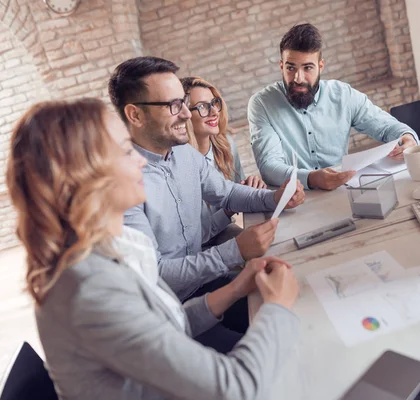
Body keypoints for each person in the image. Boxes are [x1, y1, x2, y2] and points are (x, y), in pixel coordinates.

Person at [6, 98, 300, 400]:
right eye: (123, 150)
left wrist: (236, 288)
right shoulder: (90, 290)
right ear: (82, 176)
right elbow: (235, 388)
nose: (141, 161)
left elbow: (169, 325)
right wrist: (277, 306)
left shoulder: (112, 248)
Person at [108, 57, 305, 342]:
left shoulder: (183, 153)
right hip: (169, 316)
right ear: (135, 115)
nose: (187, 115)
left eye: (183, 102)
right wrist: (235, 251)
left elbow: (227, 192)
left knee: (294, 305)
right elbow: (158, 273)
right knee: (270, 344)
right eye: (173, 105)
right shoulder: (123, 186)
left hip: (206, 285)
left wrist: (274, 197)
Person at [248, 23, 419, 190]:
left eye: (308, 67)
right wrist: (312, 179)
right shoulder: (262, 104)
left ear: (320, 66)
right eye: (290, 68)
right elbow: (269, 166)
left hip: (343, 189)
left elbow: (387, 126)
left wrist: (407, 138)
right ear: (281, 66)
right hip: (295, 197)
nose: (298, 78)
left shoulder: (343, 95)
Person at [180, 76, 266, 246]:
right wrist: (229, 209)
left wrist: (250, 188)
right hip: (197, 251)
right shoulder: (178, 164)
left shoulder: (226, 145)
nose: (213, 112)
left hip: (228, 235)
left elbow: (237, 201)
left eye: (214, 103)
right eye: (202, 107)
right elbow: (191, 239)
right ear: (184, 115)